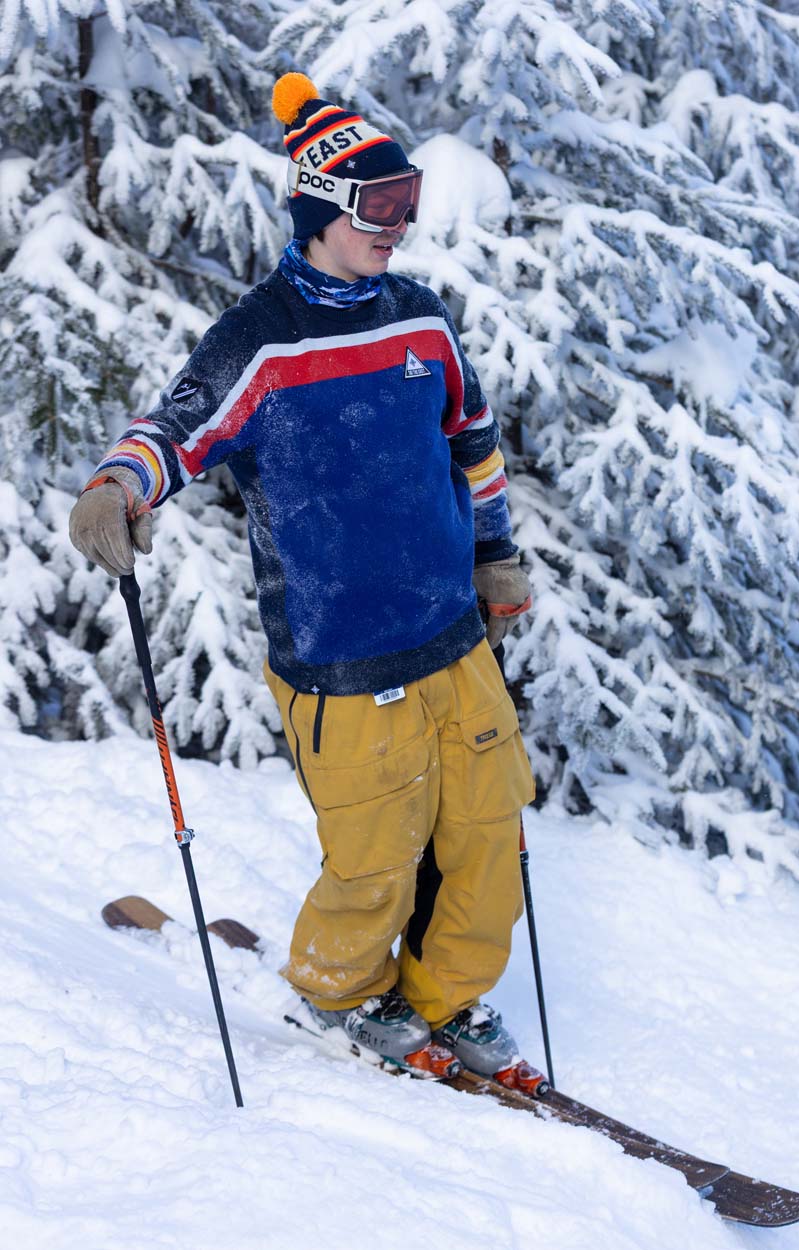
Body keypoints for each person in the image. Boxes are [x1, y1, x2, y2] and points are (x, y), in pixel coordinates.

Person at [69, 73, 541, 1089]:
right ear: (322, 201)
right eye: (379, 205)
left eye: (408, 203)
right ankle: (337, 991)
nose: (397, 226)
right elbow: (174, 428)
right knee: (375, 859)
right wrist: (118, 484)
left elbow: (474, 440)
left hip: (453, 635)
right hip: (340, 654)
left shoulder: (420, 319)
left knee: (488, 837)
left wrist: (494, 553)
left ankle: (443, 1000)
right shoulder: (262, 340)